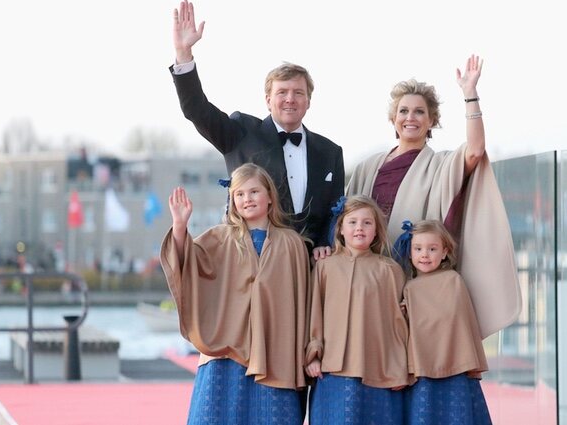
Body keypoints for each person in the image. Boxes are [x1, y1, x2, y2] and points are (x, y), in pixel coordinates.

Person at [346, 56, 520, 338]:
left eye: (419, 112)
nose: (410, 118)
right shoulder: (368, 166)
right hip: (367, 280)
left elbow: (475, 150)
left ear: (432, 120)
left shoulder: (441, 164)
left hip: (414, 280)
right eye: (403, 111)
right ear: (393, 118)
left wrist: (470, 95)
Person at [169, 1, 345, 260]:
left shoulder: (330, 151)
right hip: (251, 261)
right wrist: (183, 54)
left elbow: (335, 210)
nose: (290, 99)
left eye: (298, 93)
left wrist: (323, 242)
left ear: (308, 101)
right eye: (281, 92)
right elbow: (197, 109)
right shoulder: (241, 132)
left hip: (310, 267)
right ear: (267, 100)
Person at [160, 163, 309, 424]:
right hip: (225, 354)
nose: (247, 199)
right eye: (239, 194)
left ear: (270, 196)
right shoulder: (219, 238)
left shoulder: (292, 243)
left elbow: (302, 301)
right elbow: (186, 266)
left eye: (254, 192)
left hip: (275, 354)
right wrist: (180, 227)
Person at [305, 195, 409, 424]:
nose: (359, 228)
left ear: (376, 231)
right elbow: (314, 314)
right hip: (331, 370)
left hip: (379, 371)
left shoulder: (390, 270)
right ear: (340, 228)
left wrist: (400, 368)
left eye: (367, 223)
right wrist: (313, 356)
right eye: (352, 222)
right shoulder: (324, 267)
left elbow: (399, 325)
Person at [395, 219, 492, 424]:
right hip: (422, 369)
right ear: (410, 251)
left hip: (455, 365)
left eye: (432, 249)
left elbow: (458, 324)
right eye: (418, 248)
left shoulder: (453, 281)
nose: (425, 255)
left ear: (445, 251)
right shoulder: (409, 288)